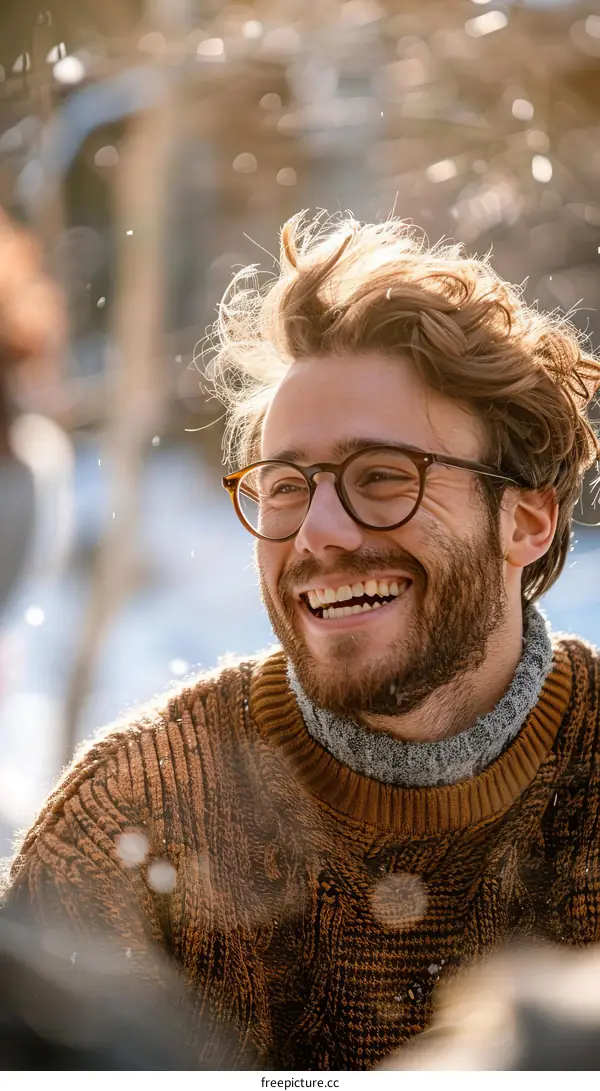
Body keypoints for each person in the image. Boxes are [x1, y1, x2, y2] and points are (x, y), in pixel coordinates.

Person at [4, 212, 600, 1071]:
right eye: (285, 486)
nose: (318, 532)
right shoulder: (127, 821)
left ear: (529, 518)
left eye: (384, 478)